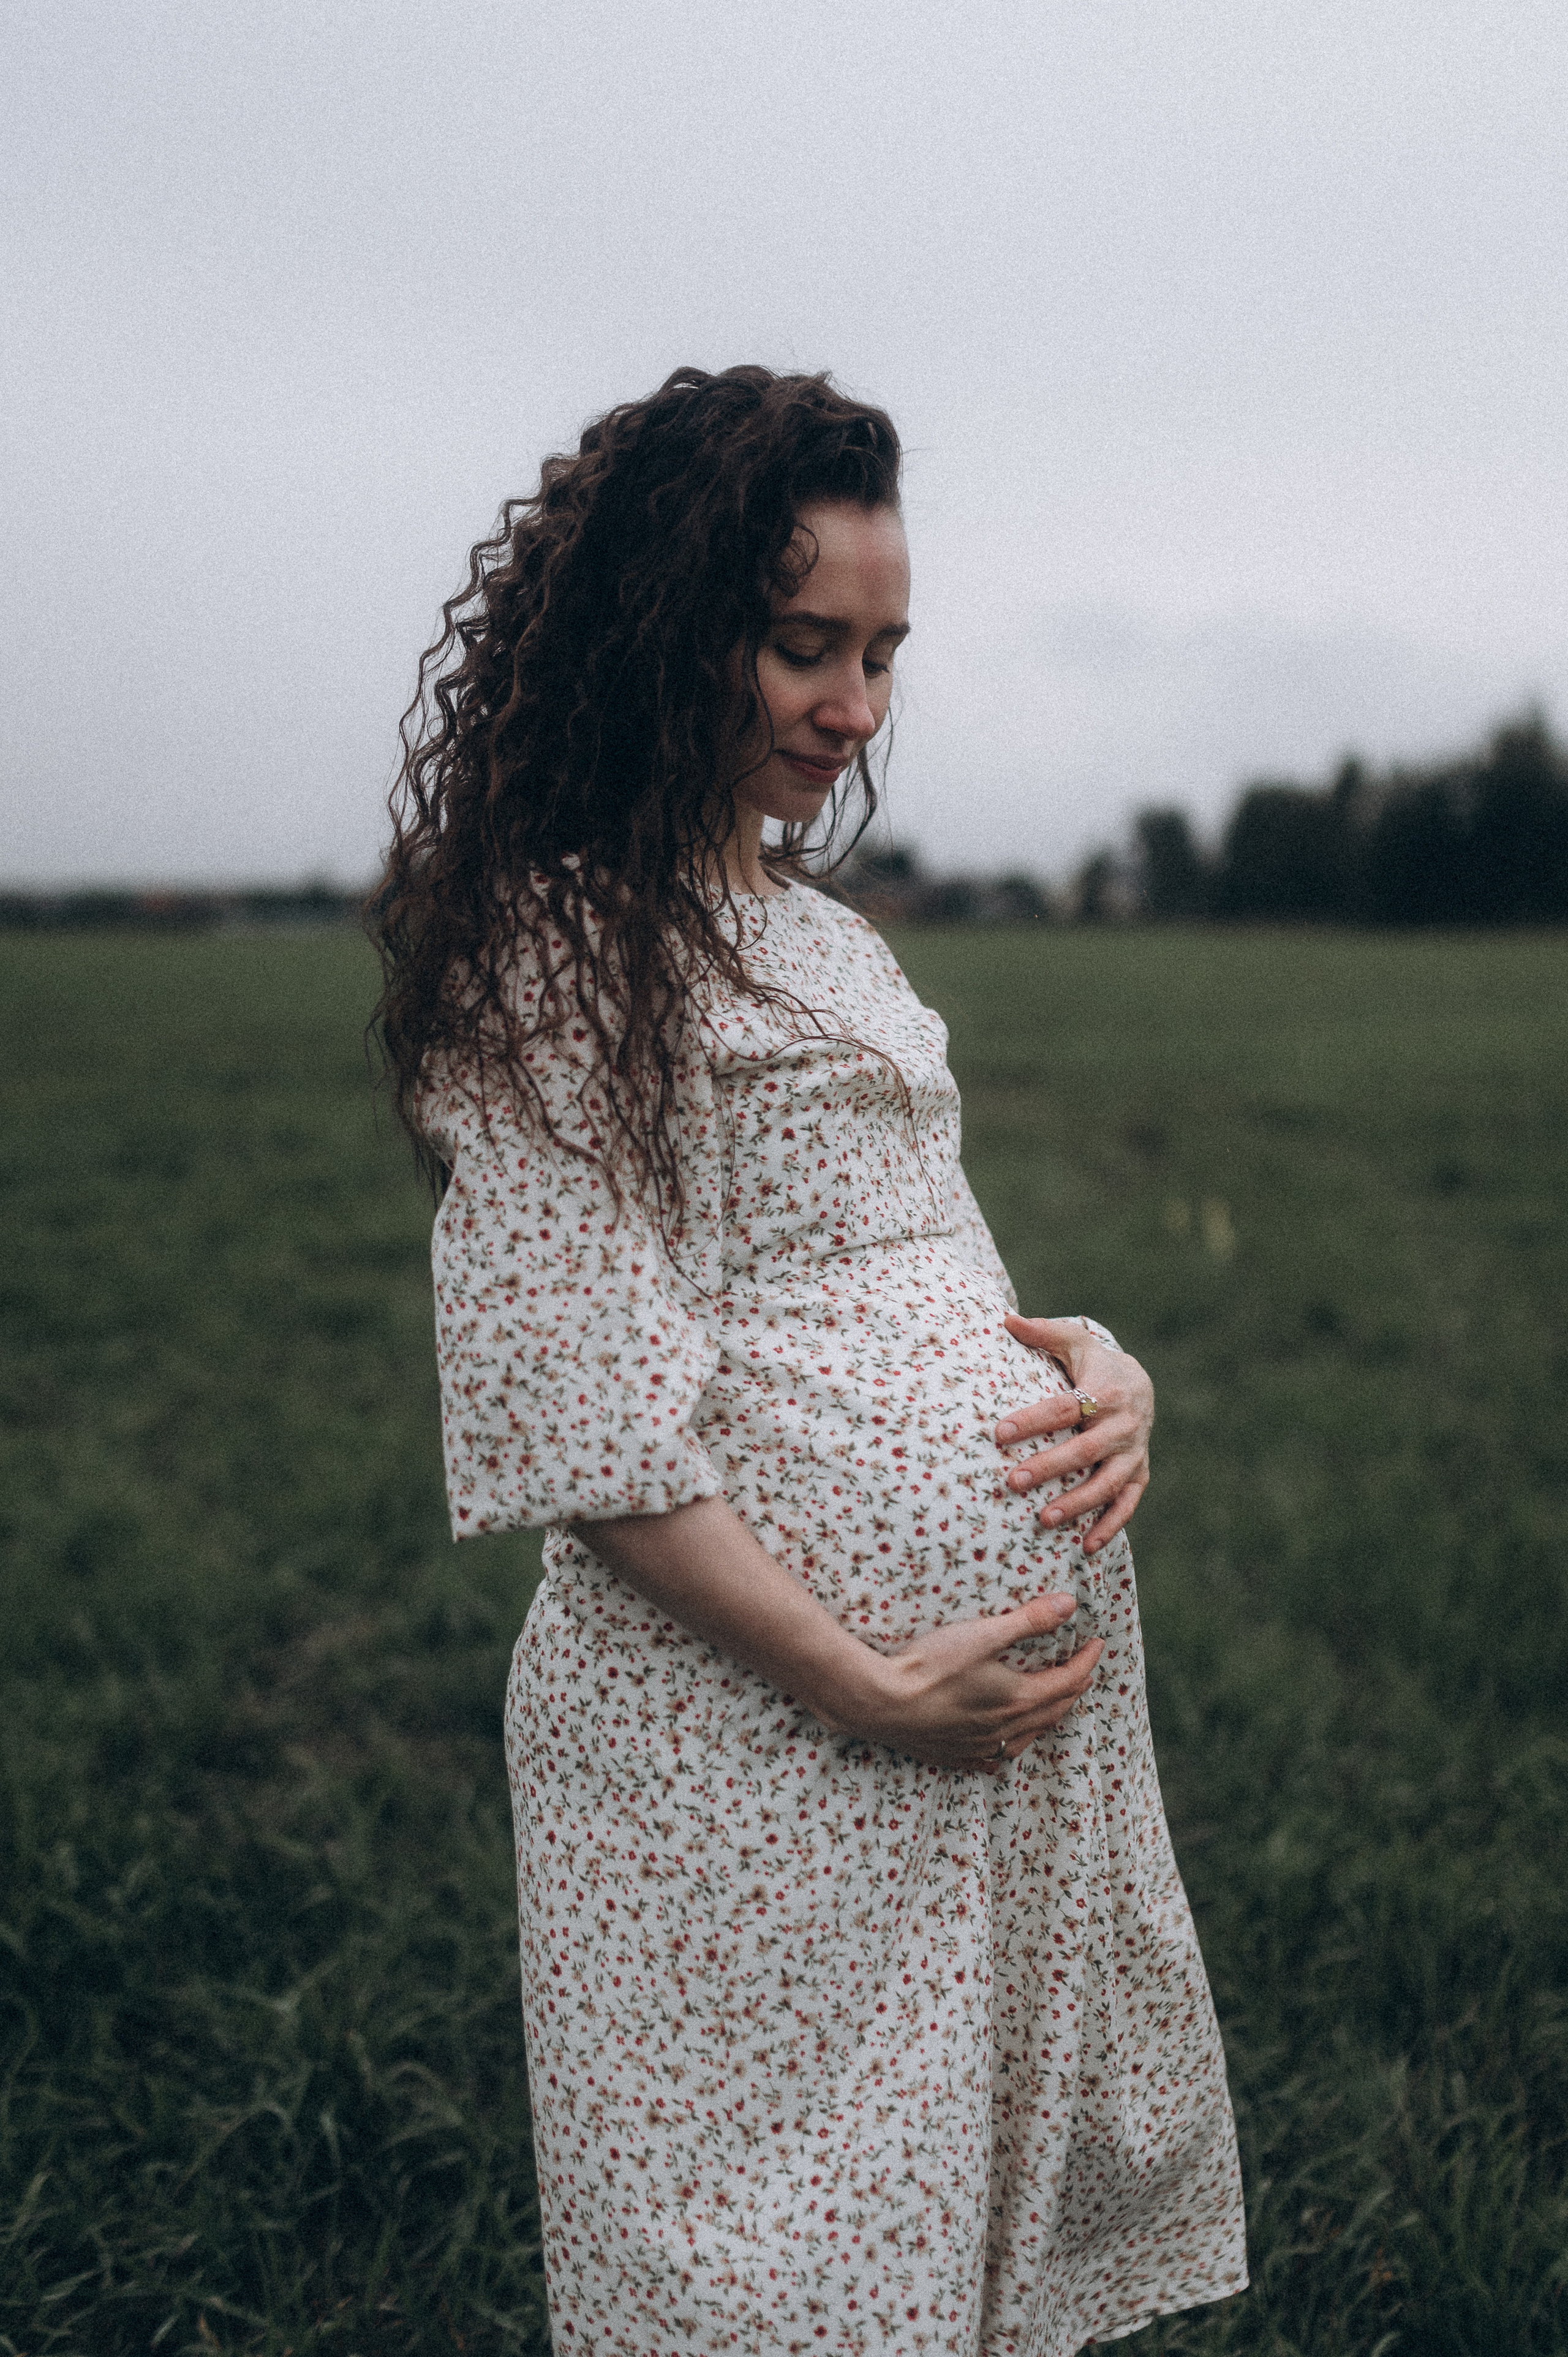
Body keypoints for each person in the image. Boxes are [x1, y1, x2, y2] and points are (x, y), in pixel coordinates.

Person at [371, 365, 1246, 2356]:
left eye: (883, 653)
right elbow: (583, 1425)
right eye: (802, 646)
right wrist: (867, 1684)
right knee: (764, 2291)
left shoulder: (828, 942)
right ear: (666, 630)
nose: (855, 708)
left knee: (937, 2274)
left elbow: (928, 1270)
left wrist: (1104, 1371)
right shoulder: (552, 955)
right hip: (748, 1767)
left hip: (968, 1765)